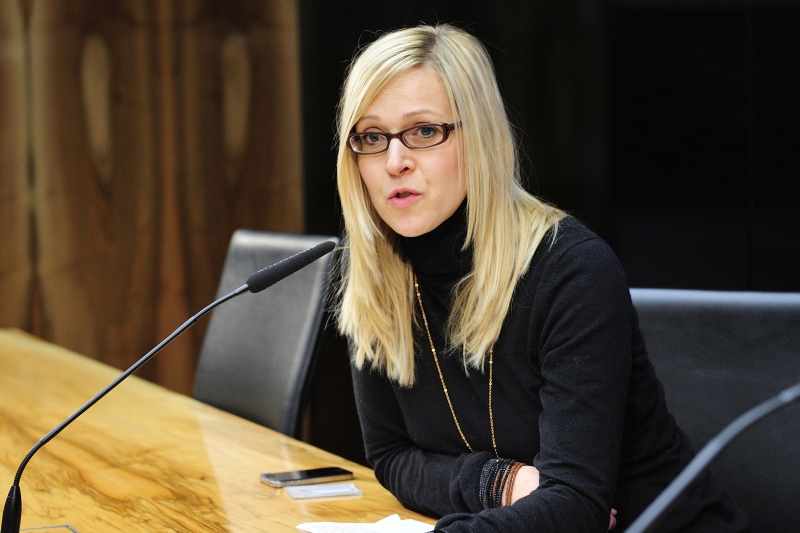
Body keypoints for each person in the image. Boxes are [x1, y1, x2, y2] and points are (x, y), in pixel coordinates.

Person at [332, 24, 748, 532]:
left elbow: (576, 504)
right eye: (372, 137)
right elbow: (392, 455)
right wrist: (496, 483)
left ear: (480, 136)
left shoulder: (572, 270)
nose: (395, 162)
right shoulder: (378, 273)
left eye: (424, 132)